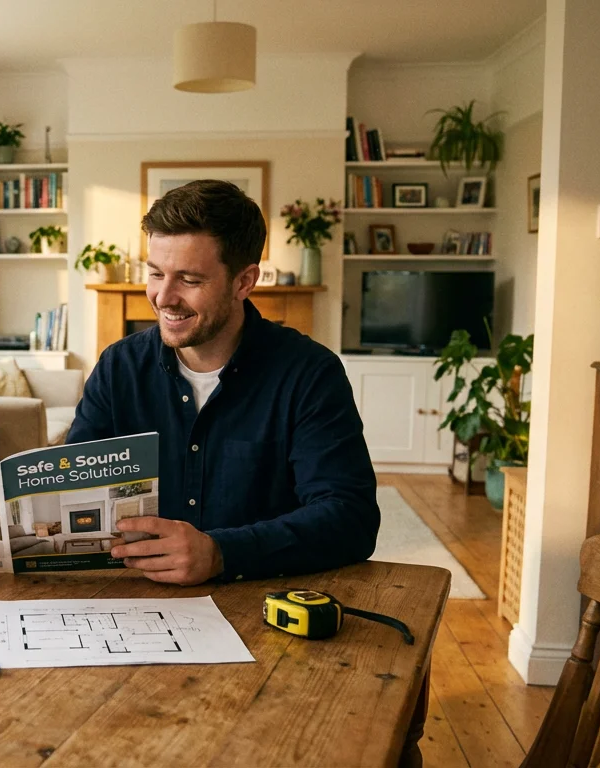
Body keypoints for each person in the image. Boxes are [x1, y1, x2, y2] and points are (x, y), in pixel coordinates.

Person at [67, 180, 379, 586]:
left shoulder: (310, 373)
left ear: (244, 281)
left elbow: (351, 518)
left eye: (190, 280)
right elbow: (75, 492)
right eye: (156, 273)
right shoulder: (118, 367)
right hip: (132, 598)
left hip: (260, 599)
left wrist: (221, 553)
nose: (163, 297)